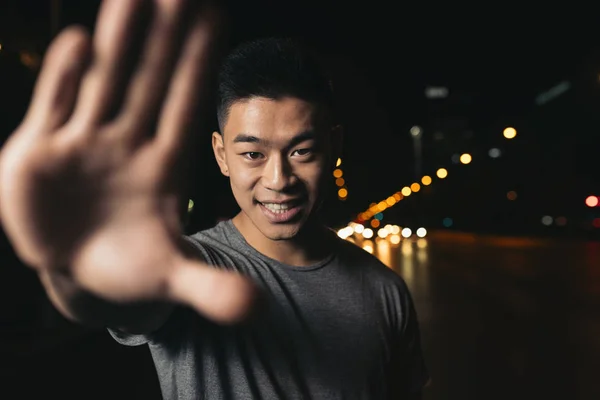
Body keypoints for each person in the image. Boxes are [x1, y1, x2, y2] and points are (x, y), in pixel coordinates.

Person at [0, 1, 429, 399]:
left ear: (333, 147)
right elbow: (119, 300)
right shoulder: (190, 268)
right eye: (252, 154)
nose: (278, 180)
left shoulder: (385, 290)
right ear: (222, 155)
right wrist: (73, 271)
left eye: (301, 151)